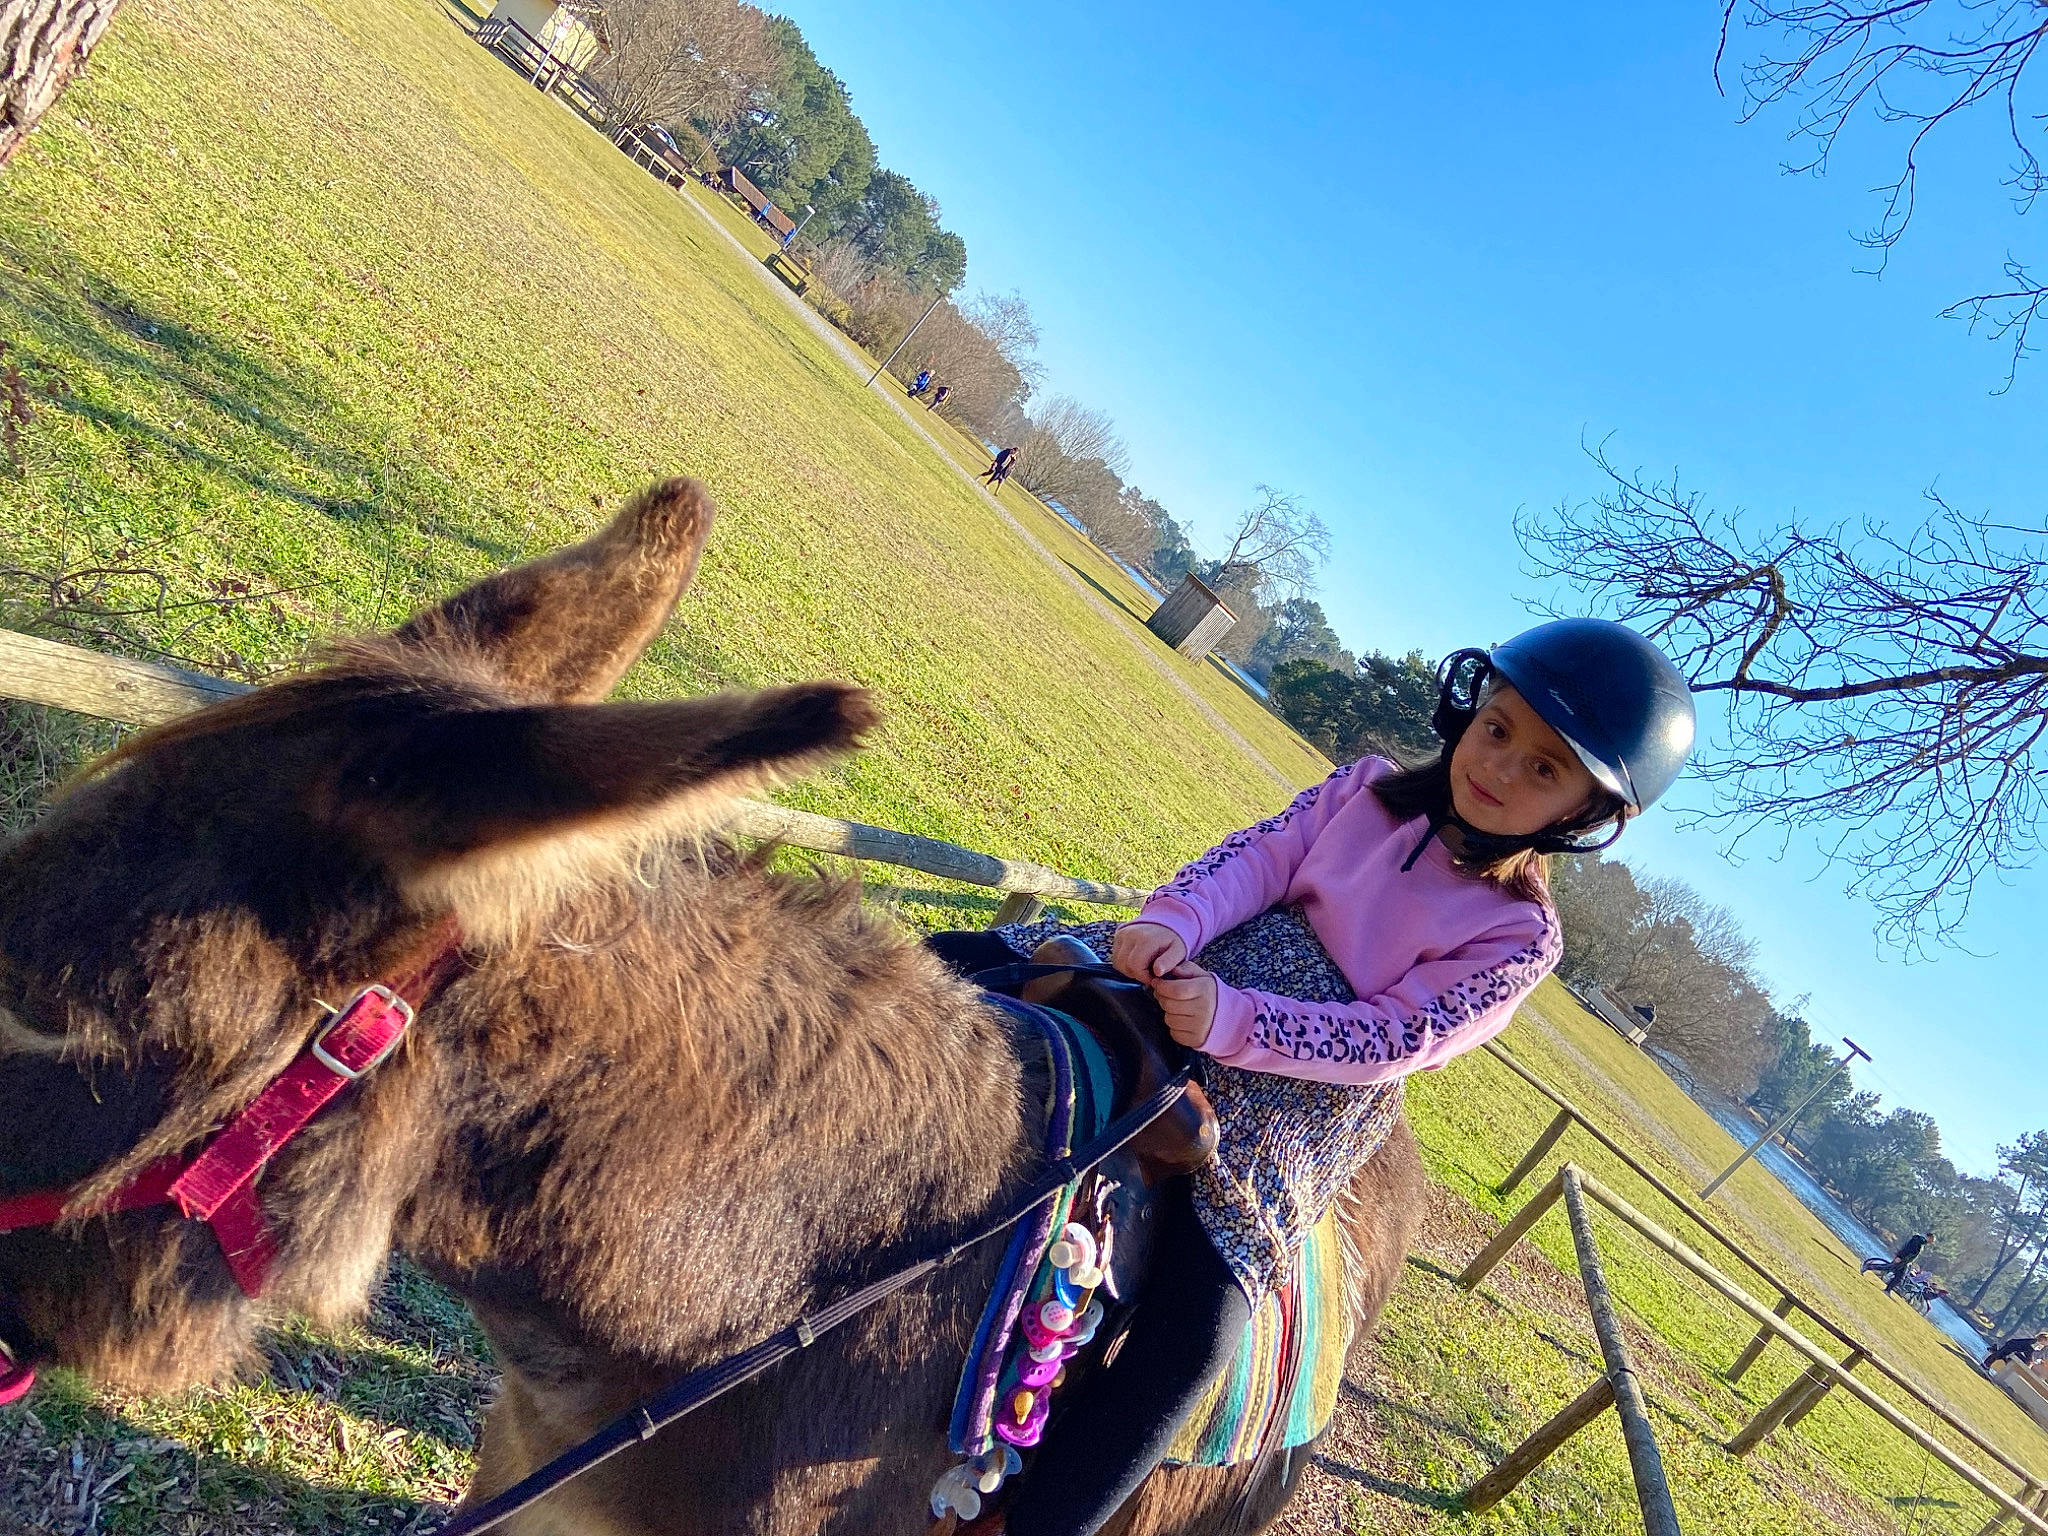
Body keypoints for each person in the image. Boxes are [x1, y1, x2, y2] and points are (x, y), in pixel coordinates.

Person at [926, 620, 1697, 1536]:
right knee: (952, 960)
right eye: (1499, 731)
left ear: (1581, 814)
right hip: (1208, 961)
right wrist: (1176, 921)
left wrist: (1234, 1021)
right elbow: (1260, 858)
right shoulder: (1366, 789)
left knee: (1197, 1328)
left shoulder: (1519, 937)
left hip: (1301, 1092)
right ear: (1471, 709)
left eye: (1545, 769)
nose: (1500, 769)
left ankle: (1040, 1523)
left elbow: (1397, 1035)